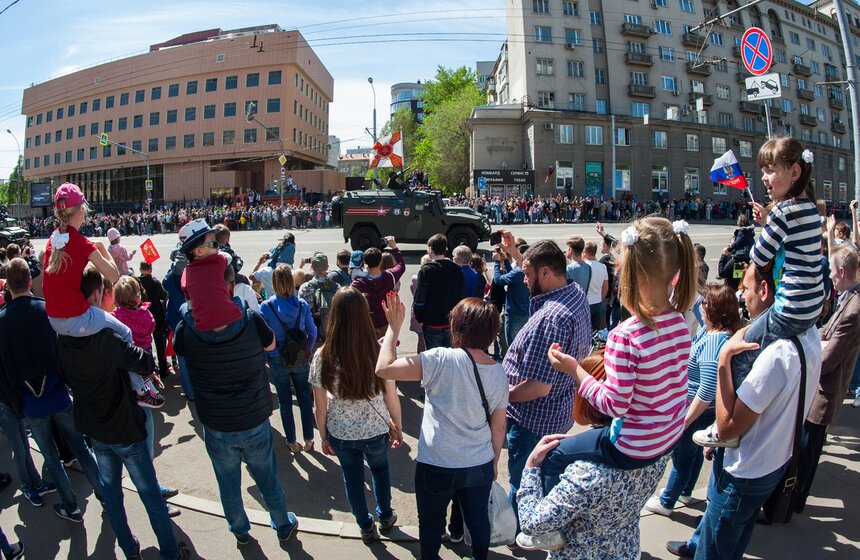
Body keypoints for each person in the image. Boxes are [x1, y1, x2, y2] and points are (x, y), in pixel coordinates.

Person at [529, 217, 697, 551]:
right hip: (665, 438)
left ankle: (547, 533)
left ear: (630, 273)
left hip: (631, 447)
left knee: (554, 455)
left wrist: (576, 370)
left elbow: (614, 405)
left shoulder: (626, 336)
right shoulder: (679, 322)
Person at [666, 261, 822, 560]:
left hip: (745, 470)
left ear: (765, 290)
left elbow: (727, 427)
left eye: (747, 287)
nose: (741, 293)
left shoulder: (776, 354)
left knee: (715, 548)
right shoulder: (809, 333)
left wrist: (724, 359)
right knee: (735, 539)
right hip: (771, 462)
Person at [697, 137, 824, 447]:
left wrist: (769, 225)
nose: (764, 179)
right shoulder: (808, 206)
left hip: (790, 308)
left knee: (740, 352)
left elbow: (759, 255)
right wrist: (772, 220)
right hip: (811, 307)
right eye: (763, 171)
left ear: (794, 172)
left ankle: (727, 427)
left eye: (771, 171)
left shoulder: (784, 212)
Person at [58, 268, 190, 560]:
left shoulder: (64, 337)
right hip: (124, 428)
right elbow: (143, 362)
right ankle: (170, 552)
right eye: (105, 293)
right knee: (150, 495)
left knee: (112, 496)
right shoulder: (106, 337)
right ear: (95, 295)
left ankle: (130, 550)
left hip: (96, 428)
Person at [173, 256, 300, 545]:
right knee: (267, 478)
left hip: (216, 422)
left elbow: (181, 350)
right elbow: (270, 345)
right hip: (253, 416)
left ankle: (240, 530)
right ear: (229, 286)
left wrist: (191, 309)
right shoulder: (248, 318)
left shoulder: (188, 327)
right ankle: (282, 523)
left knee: (228, 484)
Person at [376, 294, 508, 560]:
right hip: (478, 462)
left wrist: (393, 327)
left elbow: (384, 369)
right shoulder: (498, 372)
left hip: (437, 462)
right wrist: (493, 461)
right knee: (478, 521)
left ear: (455, 327)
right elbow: (498, 426)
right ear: (492, 334)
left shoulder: (438, 359)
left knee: (431, 525)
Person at [516, 351, 670, 559]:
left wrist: (531, 467)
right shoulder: (658, 450)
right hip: (626, 550)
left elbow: (532, 524)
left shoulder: (586, 473)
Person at [499, 234, 591, 537]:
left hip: (531, 419)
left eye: (527, 274)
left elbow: (538, 387)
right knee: (546, 476)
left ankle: (520, 533)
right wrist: (514, 251)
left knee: (523, 481)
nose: (523, 280)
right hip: (558, 411)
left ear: (545, 274)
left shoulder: (551, 317)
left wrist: (500, 397)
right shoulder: (573, 292)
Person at [0, 258, 102, 520]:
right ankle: (105, 495)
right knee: (80, 448)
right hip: (58, 394)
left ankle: (71, 506)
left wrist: (16, 402)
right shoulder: (46, 309)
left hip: (29, 402)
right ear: (29, 281)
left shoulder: (2, 320)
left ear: (8, 285)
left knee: (51, 457)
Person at [311, 287, 402, 544]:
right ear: (365, 315)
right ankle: (385, 515)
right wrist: (398, 425)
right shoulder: (378, 351)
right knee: (381, 471)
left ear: (335, 316)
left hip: (340, 432)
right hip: (376, 429)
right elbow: (391, 396)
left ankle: (364, 525)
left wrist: (323, 435)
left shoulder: (323, 355)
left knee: (352, 480)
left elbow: (319, 406)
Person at [645, 283, 740, 516]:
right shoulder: (716, 332)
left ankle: (667, 501)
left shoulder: (712, 343)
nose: (701, 308)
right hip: (700, 409)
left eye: (705, 305)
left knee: (682, 457)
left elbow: (706, 391)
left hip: (696, 409)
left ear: (714, 310)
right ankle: (686, 491)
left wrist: (685, 420)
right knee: (694, 452)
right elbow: (696, 301)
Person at [795, 246, 860, 512]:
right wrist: (814, 337)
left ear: (842, 272)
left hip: (826, 392)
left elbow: (829, 359)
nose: (831, 277)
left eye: (833, 273)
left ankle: (794, 502)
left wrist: (797, 360)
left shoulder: (855, 308)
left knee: (808, 451)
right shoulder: (849, 296)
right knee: (807, 447)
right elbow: (827, 330)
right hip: (822, 389)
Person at [42, 183, 131, 346]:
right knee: (126, 333)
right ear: (81, 210)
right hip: (76, 319)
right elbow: (114, 276)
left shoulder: (53, 240)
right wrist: (102, 248)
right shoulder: (83, 244)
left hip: (53, 319)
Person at [260, 265, 318, 453]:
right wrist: (307, 350)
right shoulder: (301, 304)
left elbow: (264, 337)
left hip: (278, 359)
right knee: (304, 398)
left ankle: (292, 442)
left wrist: (271, 355)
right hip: (300, 358)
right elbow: (312, 331)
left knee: (285, 401)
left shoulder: (266, 307)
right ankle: (309, 438)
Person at [112, 276, 164, 408]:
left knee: (134, 372)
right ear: (138, 297)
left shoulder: (117, 315)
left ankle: (142, 392)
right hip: (145, 349)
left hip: (130, 351)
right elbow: (152, 326)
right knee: (144, 370)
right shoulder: (146, 313)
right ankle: (150, 389)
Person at [413, 234, 465, 349]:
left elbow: (420, 298)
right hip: (451, 322)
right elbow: (461, 296)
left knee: (434, 360)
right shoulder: (457, 270)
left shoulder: (426, 271)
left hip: (432, 322)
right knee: (450, 358)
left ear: (430, 249)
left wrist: (419, 317)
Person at [352, 237, 405, 339]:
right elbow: (401, 265)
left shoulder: (358, 283)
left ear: (365, 262)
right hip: (386, 322)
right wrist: (394, 247)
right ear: (381, 261)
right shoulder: (390, 276)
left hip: (368, 325)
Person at [492, 238, 531, 349]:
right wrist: (505, 261)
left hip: (514, 314)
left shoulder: (519, 272)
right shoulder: (527, 271)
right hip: (526, 312)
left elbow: (498, 280)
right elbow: (512, 277)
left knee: (513, 347)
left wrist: (497, 262)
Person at [139, 261, 170, 378]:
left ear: (140, 269)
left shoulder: (138, 282)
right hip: (156, 315)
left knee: (144, 343)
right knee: (160, 343)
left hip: (143, 315)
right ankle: (163, 369)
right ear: (151, 269)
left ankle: (151, 369)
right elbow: (164, 295)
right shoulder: (155, 282)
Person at [298, 252, 339, 341]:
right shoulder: (336, 287)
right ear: (327, 267)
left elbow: (302, 312)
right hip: (332, 335)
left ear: (312, 267)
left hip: (313, 335)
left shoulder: (305, 288)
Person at [582, 241, 608, 332]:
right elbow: (605, 287)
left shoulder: (584, 266)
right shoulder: (602, 267)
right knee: (596, 331)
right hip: (597, 301)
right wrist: (601, 297)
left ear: (585, 252)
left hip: (586, 303)